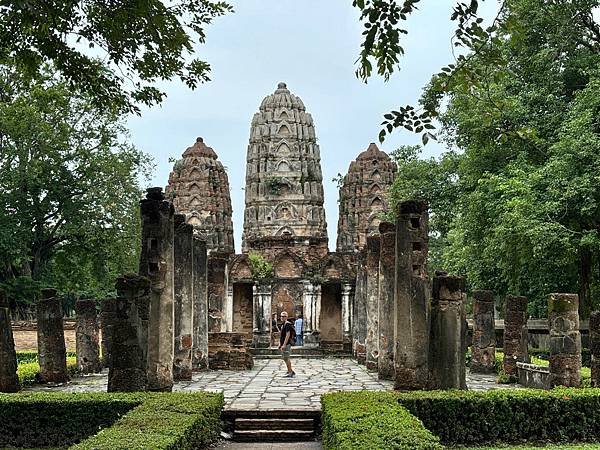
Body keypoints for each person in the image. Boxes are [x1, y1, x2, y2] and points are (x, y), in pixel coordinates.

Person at [279, 311, 296, 377]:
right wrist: (280, 344)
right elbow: (281, 335)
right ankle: (290, 370)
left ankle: (290, 372)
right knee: (285, 358)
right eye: (281, 316)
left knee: (286, 358)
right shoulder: (283, 324)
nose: (282, 317)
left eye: (283, 316)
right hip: (283, 343)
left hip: (287, 344)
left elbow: (287, 335)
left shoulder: (287, 324)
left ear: (286, 317)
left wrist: (284, 344)